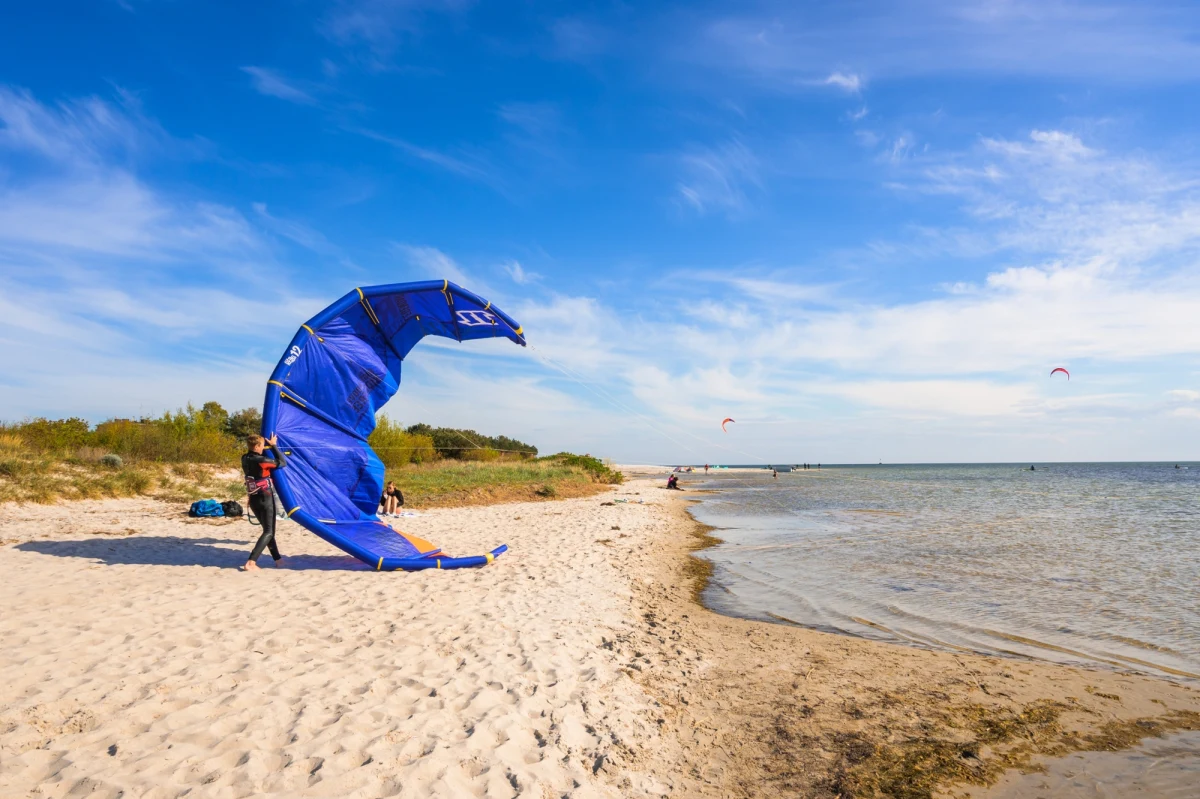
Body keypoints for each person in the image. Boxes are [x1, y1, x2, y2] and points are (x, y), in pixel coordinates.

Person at [241, 433, 288, 572]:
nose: (263, 448)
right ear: (256, 446)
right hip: (265, 498)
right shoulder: (261, 460)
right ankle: (251, 562)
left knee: (268, 531)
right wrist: (273, 446)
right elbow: (282, 462)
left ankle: (278, 560)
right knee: (269, 531)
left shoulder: (244, 458)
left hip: (253, 499)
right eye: (262, 445)